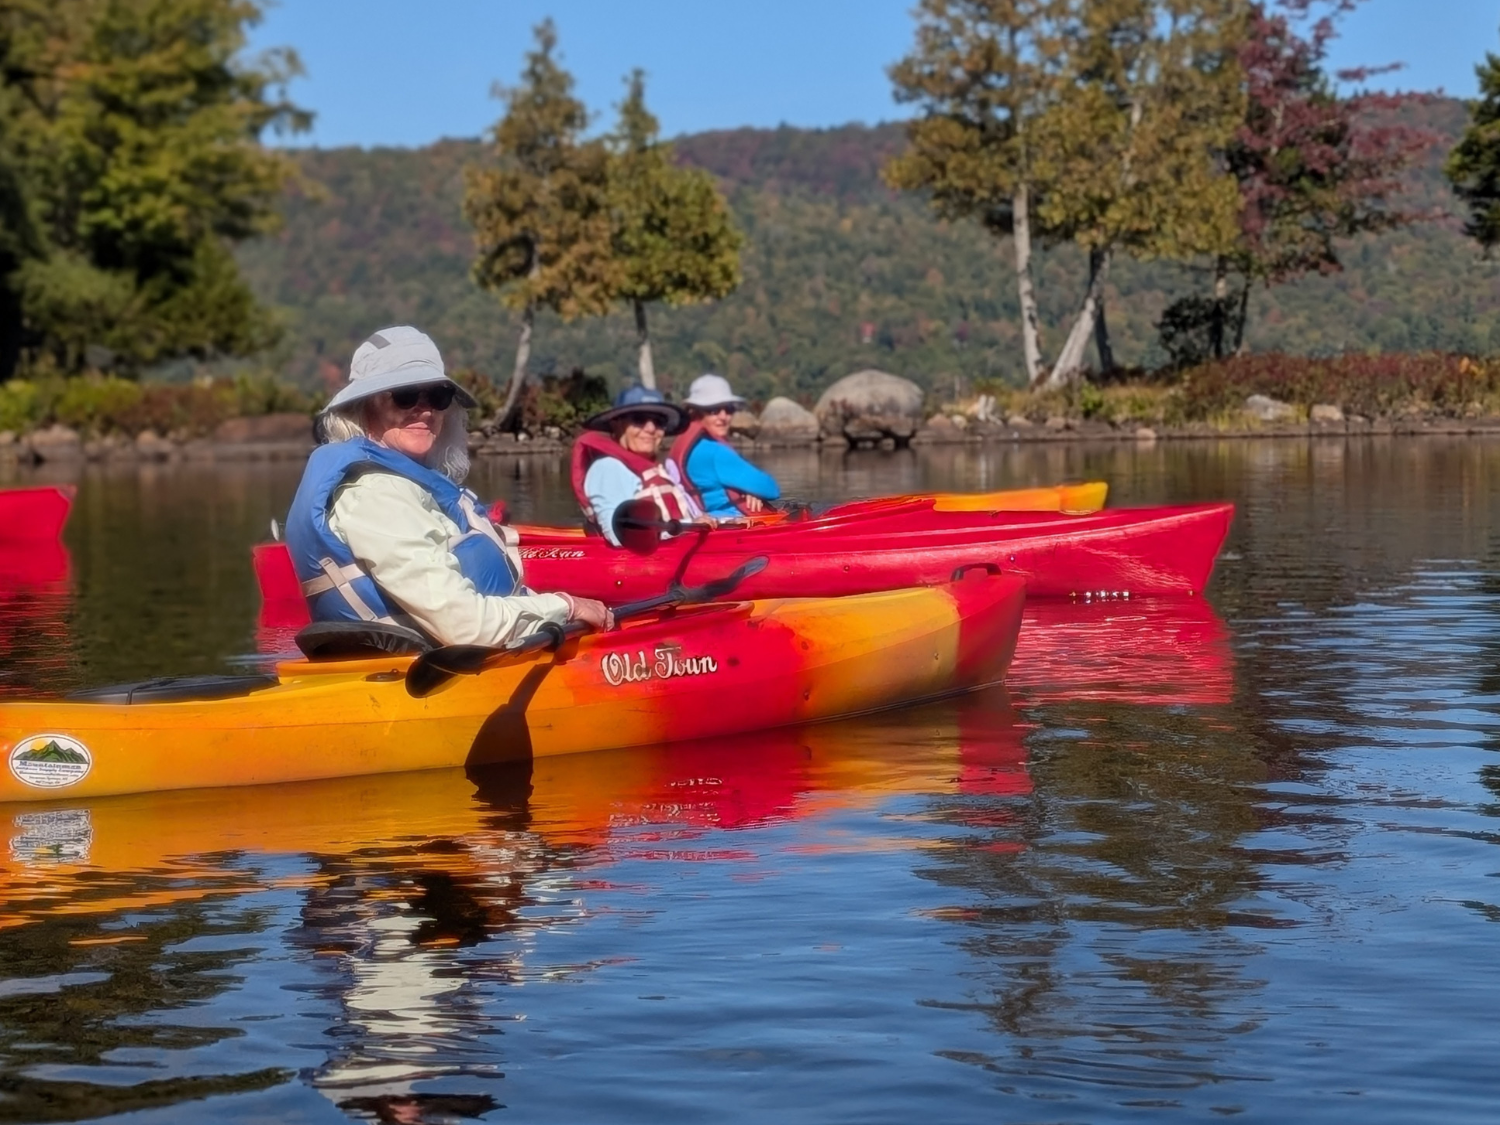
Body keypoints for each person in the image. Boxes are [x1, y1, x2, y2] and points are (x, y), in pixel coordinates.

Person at [284, 326, 612, 645]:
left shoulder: (400, 484)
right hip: (431, 670)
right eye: (405, 395)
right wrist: (567, 606)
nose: (424, 410)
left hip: (448, 658)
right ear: (365, 406)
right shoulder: (375, 493)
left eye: (438, 396)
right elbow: (468, 628)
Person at [570, 384, 705, 546]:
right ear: (617, 424)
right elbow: (618, 536)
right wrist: (689, 528)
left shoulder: (655, 468)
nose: (650, 428)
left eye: (659, 422)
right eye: (639, 420)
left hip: (671, 549)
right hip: (632, 562)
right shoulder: (609, 468)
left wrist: (698, 524)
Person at [668, 373, 781, 517]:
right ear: (695, 412)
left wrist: (749, 490)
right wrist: (751, 490)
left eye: (729, 409)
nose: (723, 417)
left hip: (708, 518)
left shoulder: (690, 447)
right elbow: (771, 489)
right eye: (713, 410)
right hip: (731, 527)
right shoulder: (715, 453)